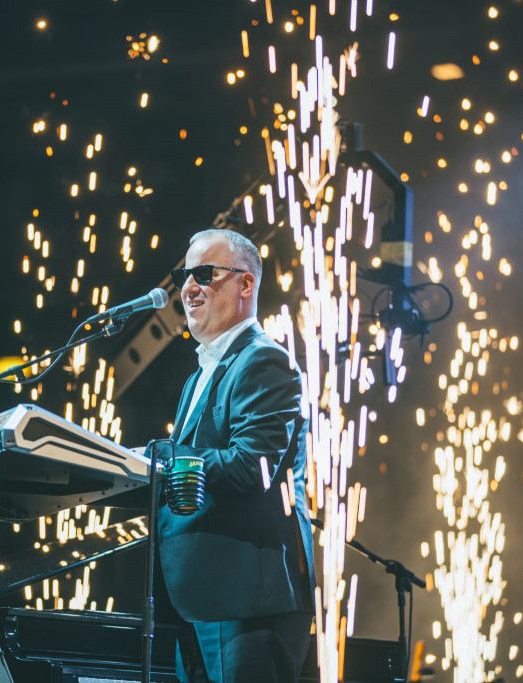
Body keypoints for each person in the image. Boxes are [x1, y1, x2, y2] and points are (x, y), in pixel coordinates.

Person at [154, 228, 317, 683]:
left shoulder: (265, 361)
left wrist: (161, 461)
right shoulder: (198, 376)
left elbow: (252, 466)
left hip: (247, 599)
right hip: (199, 597)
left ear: (246, 284)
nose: (189, 287)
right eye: (183, 277)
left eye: (204, 274)